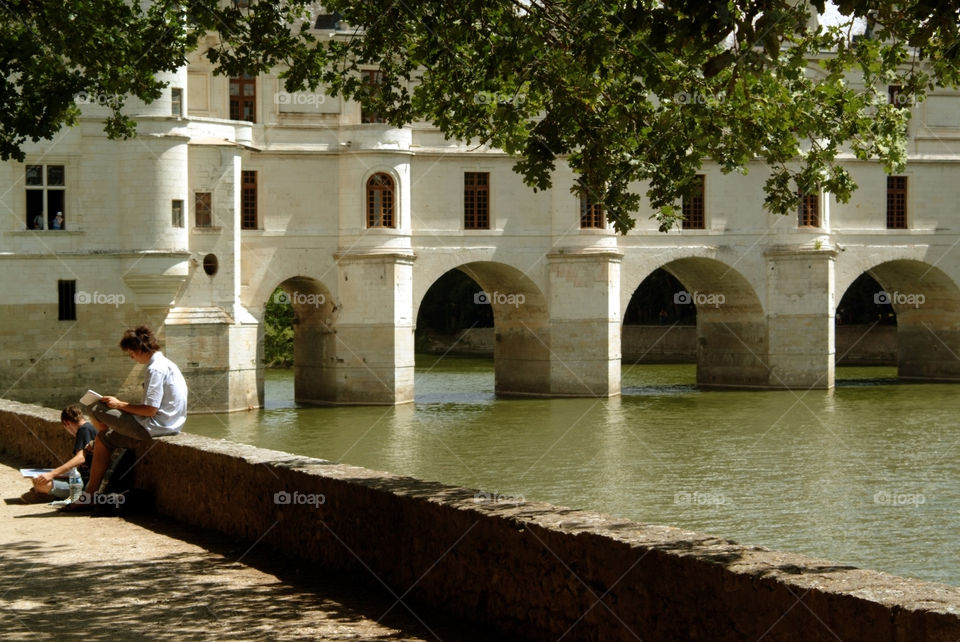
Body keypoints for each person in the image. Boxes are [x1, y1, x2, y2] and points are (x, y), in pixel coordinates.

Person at [73, 325, 188, 507]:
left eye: (131, 353)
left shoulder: (155, 369)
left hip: (153, 427)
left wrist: (119, 404)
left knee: (95, 407)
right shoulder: (168, 364)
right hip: (170, 425)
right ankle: (89, 495)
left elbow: (150, 409)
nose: (132, 358)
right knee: (104, 439)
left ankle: (89, 493)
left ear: (139, 349)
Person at [20, 405, 97, 503]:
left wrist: (52, 474)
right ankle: (46, 493)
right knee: (38, 480)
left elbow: (80, 458)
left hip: (84, 484)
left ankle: (48, 494)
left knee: (40, 484)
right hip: (82, 478)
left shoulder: (83, 430)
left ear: (66, 423)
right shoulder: (88, 428)